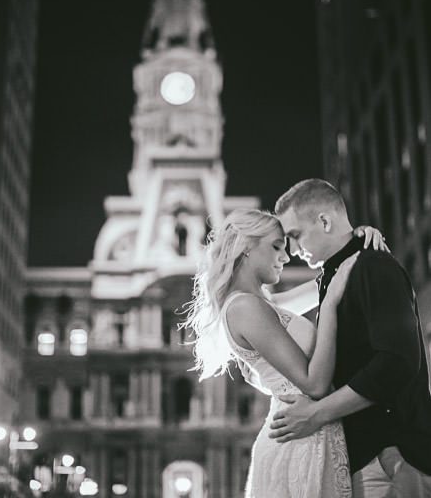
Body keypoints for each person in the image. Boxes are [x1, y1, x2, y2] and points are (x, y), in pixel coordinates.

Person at [183, 207, 387, 497]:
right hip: (299, 441)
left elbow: (328, 283)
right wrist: (328, 309)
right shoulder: (245, 307)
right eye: (277, 247)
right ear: (246, 248)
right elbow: (314, 384)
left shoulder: (261, 305)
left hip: (304, 434)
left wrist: (357, 241)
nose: (286, 256)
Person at [269, 179, 431, 497]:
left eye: (295, 236)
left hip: (392, 455)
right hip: (364, 457)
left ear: (325, 221)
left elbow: (397, 362)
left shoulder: (372, 266)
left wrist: (317, 414)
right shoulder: (335, 276)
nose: (292, 250)